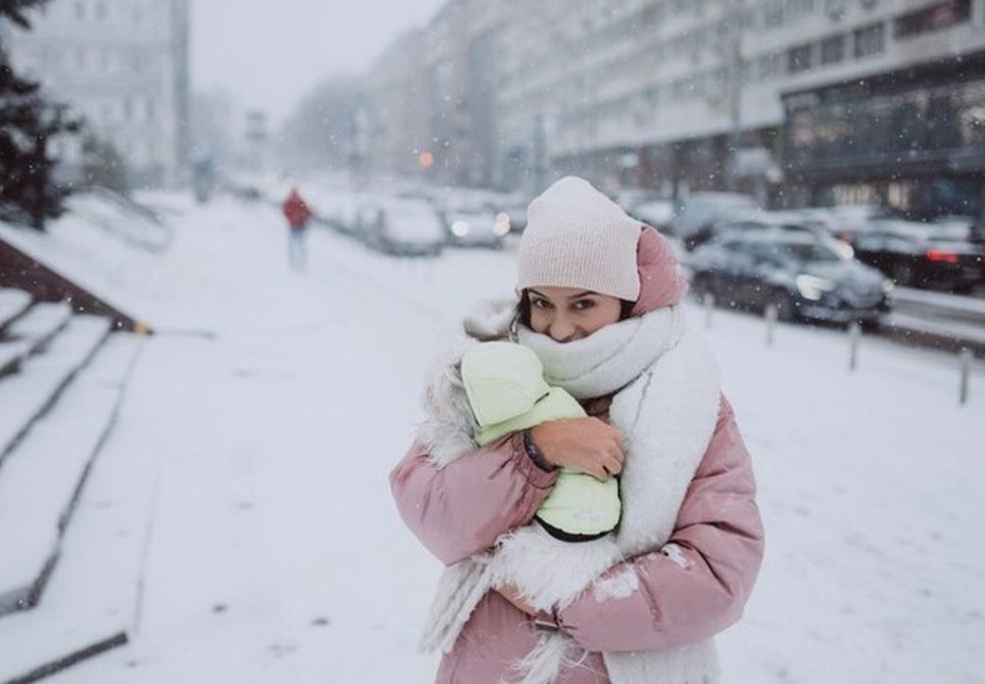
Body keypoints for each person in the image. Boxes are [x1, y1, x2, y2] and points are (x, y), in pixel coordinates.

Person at [390, 176, 764, 684]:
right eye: (541, 303)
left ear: (627, 300)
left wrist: (563, 601)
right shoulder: (487, 372)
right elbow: (429, 508)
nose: (559, 329)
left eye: (583, 304)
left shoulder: (687, 398)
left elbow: (723, 570)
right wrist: (533, 451)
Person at [459, 341, 621, 541]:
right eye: (543, 306)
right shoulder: (558, 396)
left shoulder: (490, 429)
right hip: (606, 509)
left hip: (557, 520)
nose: (561, 331)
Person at [281, 187, 311, 270]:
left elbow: (308, 212)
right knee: (296, 245)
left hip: (298, 226)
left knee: (297, 245)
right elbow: (285, 211)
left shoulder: (297, 202)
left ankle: (299, 261)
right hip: (295, 226)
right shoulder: (294, 202)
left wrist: (299, 217)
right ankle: (295, 261)